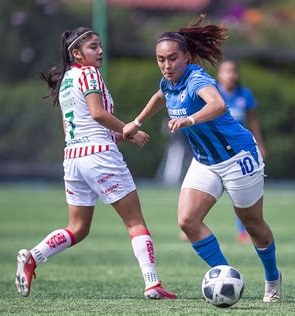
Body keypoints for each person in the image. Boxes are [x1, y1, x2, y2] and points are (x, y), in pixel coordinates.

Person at [123, 16, 282, 303]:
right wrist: (137, 121)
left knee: (253, 225)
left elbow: (218, 104)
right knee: (187, 221)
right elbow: (161, 95)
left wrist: (190, 119)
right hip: (206, 160)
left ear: (187, 57)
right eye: (161, 59)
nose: (167, 65)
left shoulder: (197, 77)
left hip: (237, 157)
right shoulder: (167, 81)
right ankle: (225, 274)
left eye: (172, 58)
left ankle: (272, 277)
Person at [15, 27, 176, 300]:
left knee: (78, 229)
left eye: (100, 45)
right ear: (76, 53)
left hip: (74, 158)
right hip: (100, 157)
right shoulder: (90, 73)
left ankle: (33, 256)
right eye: (92, 47)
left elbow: (76, 127)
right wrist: (131, 129)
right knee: (135, 222)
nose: (99, 51)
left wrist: (119, 135)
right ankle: (152, 283)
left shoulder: (66, 80)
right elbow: (97, 113)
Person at [217, 60, 267, 244]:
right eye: (226, 71)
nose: (230, 75)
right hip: (217, 150)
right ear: (219, 75)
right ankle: (193, 225)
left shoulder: (245, 95)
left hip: (241, 151)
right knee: (206, 189)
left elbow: (253, 121)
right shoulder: (212, 93)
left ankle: (243, 232)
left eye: (233, 71)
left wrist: (260, 144)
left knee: (242, 193)